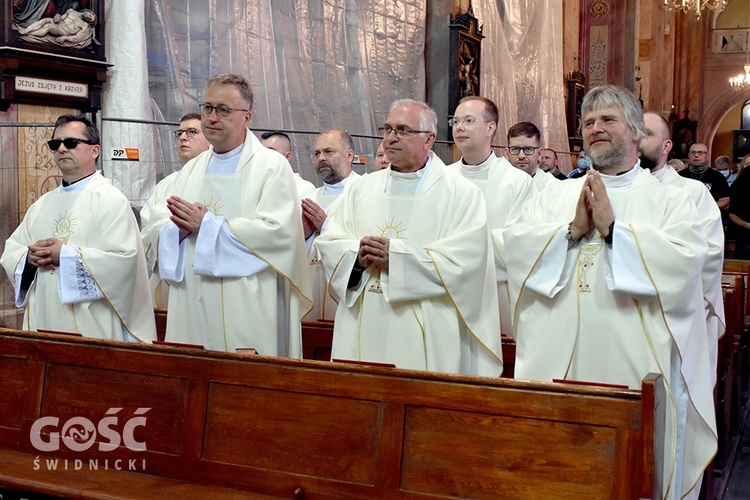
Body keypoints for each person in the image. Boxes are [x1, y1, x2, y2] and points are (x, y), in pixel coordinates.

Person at [503, 85, 715, 500]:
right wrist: (570, 232)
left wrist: (617, 231)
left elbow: (686, 267)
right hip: (557, 358)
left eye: (607, 120)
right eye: (588, 122)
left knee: (631, 472)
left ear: (635, 132)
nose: (595, 129)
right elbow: (512, 249)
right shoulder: (554, 193)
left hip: (635, 365)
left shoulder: (672, 199)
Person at [316, 99, 503, 376]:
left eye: (403, 130)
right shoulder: (362, 189)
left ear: (429, 139)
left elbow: (467, 264)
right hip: (364, 321)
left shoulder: (460, 193)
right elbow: (331, 242)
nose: (391, 138)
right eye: (387, 129)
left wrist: (398, 258)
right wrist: (357, 257)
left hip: (428, 326)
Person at [141, 73, 312, 355]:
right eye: (207, 108)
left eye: (223, 110)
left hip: (248, 305)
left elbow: (279, 235)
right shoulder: (192, 169)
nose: (212, 117)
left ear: (247, 117)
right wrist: (176, 230)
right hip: (193, 305)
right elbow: (158, 228)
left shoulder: (270, 166)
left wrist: (207, 225)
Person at [1, 114, 155, 343]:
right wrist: (29, 257)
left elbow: (125, 262)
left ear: (95, 150)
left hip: (91, 327)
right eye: (55, 144)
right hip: (43, 321)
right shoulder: (42, 204)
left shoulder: (111, 201)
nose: (62, 149)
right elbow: (12, 250)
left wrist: (64, 255)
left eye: (71, 143)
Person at [640, 109, 724, 387]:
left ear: (667, 147)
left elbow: (708, 255)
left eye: (647, 133)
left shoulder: (693, 192)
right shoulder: (610, 188)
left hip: (673, 320)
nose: (637, 138)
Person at [448, 96, 532, 336]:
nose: (459, 127)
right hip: (447, 291)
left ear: (490, 127)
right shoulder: (442, 179)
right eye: (455, 122)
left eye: (468, 120)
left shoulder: (517, 182)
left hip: (496, 295)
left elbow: (519, 243)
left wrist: (457, 249)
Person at [140, 113, 211, 308]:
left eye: (192, 132)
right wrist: (173, 230)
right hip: (171, 285)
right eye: (179, 133)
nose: (182, 137)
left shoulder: (220, 179)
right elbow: (146, 231)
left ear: (210, 139)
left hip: (209, 279)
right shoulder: (166, 184)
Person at [303, 130, 360, 320]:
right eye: (317, 153)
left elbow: (363, 242)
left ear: (349, 155)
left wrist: (325, 226)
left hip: (345, 293)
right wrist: (302, 235)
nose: (321, 158)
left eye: (329, 152)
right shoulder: (310, 197)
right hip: (310, 286)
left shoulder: (363, 193)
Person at [260, 130, 316, 199]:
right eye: (261, 151)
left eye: (270, 151)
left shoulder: (303, 188)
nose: (264, 156)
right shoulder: (256, 184)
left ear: (287, 156)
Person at [506, 122, 559, 192]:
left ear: (539, 153)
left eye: (528, 149)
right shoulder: (497, 184)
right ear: (507, 154)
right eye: (515, 149)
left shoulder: (552, 188)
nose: (521, 156)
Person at [679, 143, 730, 209]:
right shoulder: (680, 176)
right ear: (689, 155)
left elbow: (725, 200)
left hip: (710, 214)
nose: (696, 155)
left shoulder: (718, 176)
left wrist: (706, 208)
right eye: (693, 153)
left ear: (707, 156)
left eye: (700, 152)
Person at [17, 8, 96, 49]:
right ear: (89, 11)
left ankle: (28, 34)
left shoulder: (84, 25)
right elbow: (61, 18)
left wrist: (65, 38)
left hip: (63, 31)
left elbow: (76, 37)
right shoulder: (71, 11)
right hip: (59, 24)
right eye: (90, 16)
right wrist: (57, 16)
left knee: (48, 27)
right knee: (45, 20)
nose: (88, 18)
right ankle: (25, 30)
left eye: (90, 20)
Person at [729, 154, 750, 259]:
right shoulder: (736, 186)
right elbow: (732, 213)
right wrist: (747, 225)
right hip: (743, 234)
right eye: (748, 164)